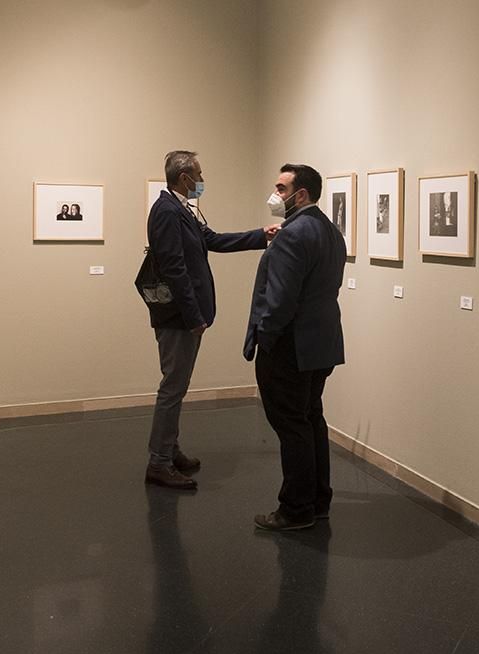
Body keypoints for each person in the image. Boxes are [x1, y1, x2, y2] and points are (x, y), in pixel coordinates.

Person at [142, 150, 279, 489]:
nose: (202, 181)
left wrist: (262, 235)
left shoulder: (181, 210)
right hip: (178, 317)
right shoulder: (166, 211)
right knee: (172, 388)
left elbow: (212, 240)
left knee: (177, 385)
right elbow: (174, 268)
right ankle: (158, 462)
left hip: (185, 315)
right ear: (184, 177)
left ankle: (169, 450)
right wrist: (193, 317)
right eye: (199, 175)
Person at [243, 164, 346, 530]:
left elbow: (281, 300)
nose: (275, 194)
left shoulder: (293, 234)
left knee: (292, 425)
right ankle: (319, 500)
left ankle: (296, 508)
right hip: (322, 343)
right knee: (311, 418)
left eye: (281, 187)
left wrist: (265, 338)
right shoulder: (331, 232)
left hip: (291, 345)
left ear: (300, 194)